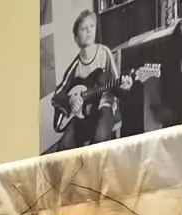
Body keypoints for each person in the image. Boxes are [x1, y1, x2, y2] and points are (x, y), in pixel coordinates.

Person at [51, 9, 137, 151]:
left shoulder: (104, 53)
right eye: (83, 28)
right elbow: (57, 96)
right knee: (64, 145)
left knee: (100, 138)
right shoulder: (75, 66)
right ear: (76, 38)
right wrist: (71, 101)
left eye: (92, 26)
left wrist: (125, 87)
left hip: (105, 106)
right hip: (84, 115)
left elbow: (117, 86)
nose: (89, 30)